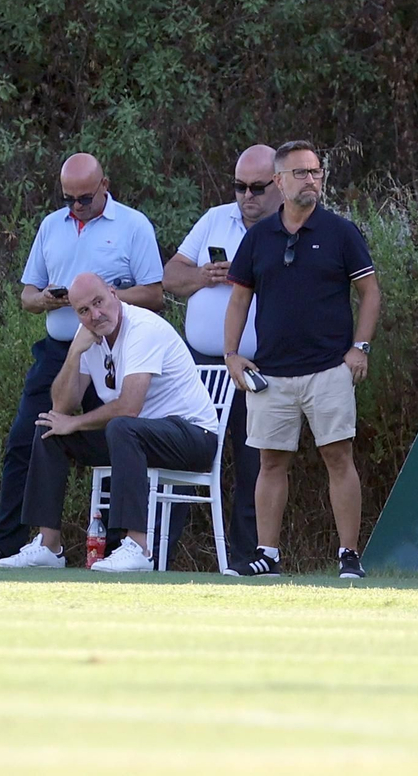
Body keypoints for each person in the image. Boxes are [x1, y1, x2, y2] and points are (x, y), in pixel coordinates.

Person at [0, 153, 165, 566]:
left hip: (115, 349)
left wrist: (99, 300)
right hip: (61, 352)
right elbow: (27, 296)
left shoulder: (133, 226)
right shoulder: (52, 225)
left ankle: (123, 548)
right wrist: (48, 300)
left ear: (105, 185)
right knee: (28, 438)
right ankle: (14, 544)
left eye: (84, 198)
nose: (76, 207)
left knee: (120, 436)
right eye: (68, 198)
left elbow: (155, 295)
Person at [222, 140, 382, 578]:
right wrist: (232, 355)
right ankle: (267, 555)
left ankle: (348, 555)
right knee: (270, 462)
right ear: (279, 181)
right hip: (271, 372)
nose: (311, 179)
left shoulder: (341, 233)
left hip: (329, 368)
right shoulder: (258, 238)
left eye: (315, 171)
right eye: (301, 173)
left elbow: (369, 293)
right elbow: (238, 301)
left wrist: (360, 347)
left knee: (338, 457)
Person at [0, 274, 218, 571]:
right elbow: (62, 406)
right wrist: (75, 352)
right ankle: (48, 545)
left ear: (114, 294)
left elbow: (128, 407)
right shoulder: (87, 334)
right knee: (49, 428)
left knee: (121, 425)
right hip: (138, 436)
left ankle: (137, 548)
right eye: (84, 310)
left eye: (99, 302)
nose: (95, 315)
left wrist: (75, 424)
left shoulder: (143, 328)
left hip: (193, 436)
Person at [162, 144, 279, 567]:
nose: (247, 196)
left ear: (279, 185)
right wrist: (200, 275)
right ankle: (157, 554)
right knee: (181, 453)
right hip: (199, 362)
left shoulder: (289, 229)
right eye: (239, 187)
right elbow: (169, 277)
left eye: (257, 188)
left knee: (253, 464)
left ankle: (248, 560)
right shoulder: (215, 219)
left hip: (256, 365)